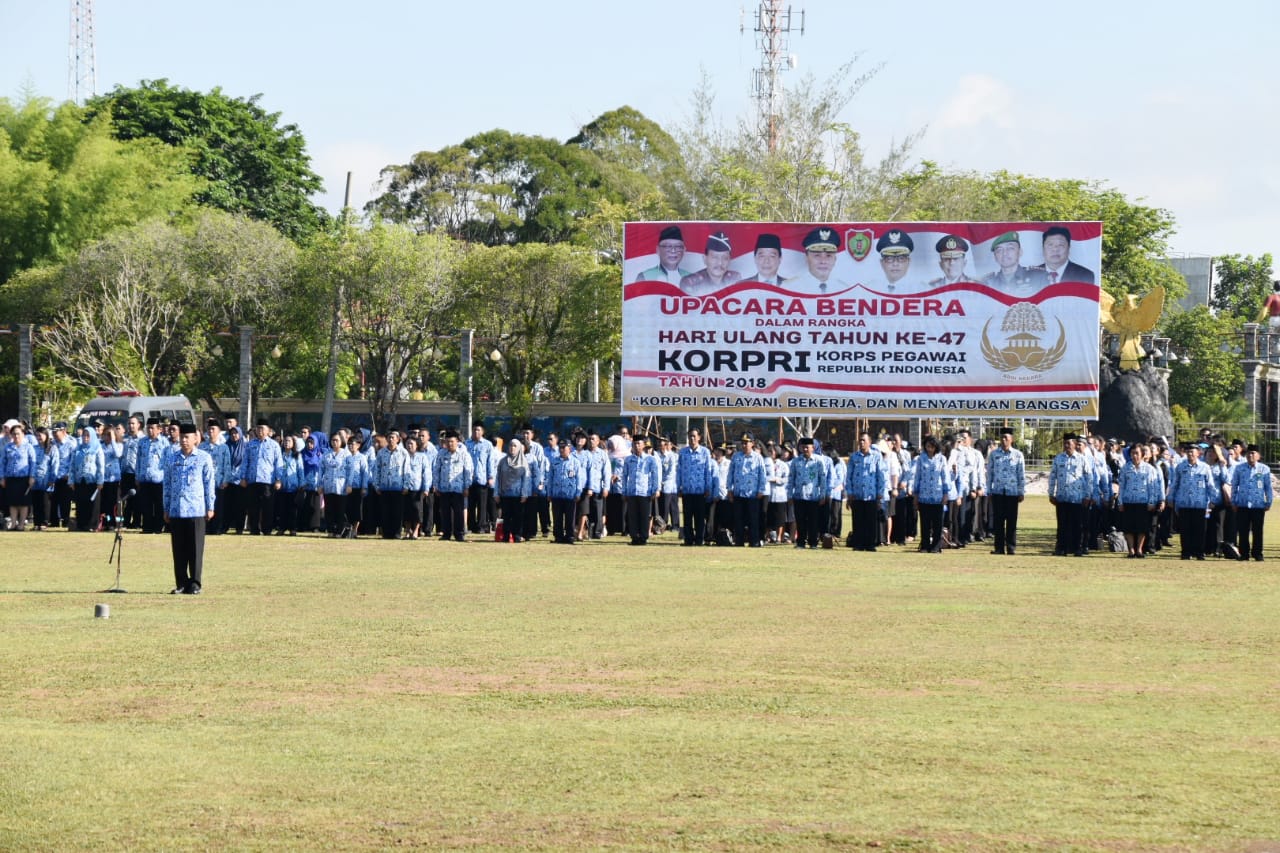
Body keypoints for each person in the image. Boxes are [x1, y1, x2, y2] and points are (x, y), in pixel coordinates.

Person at [163, 423, 216, 595]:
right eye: (182, 437)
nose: (184, 440)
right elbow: (167, 485)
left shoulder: (203, 458)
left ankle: (195, 583)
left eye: (187, 437)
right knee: (178, 549)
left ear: (195, 439)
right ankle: (181, 583)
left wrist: (210, 506)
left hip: (196, 509)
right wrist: (166, 507)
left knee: (195, 549)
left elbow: (209, 484)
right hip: (177, 509)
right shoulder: (172, 458)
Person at [1048, 434, 1096, 556]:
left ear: (1075, 444)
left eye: (1069, 443)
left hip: (1077, 498)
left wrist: (1088, 495)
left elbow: (1089, 478)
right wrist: (1051, 493)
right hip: (1062, 497)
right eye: (1065, 443)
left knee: (1077, 525)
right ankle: (1061, 548)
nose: (1066, 446)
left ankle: (1077, 548)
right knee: (1062, 525)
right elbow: (1053, 476)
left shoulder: (1082, 459)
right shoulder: (1058, 459)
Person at [1167, 442, 1215, 560]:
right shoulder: (1180, 467)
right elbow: (1175, 484)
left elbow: (1210, 485)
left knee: (1199, 530)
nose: (1190, 454)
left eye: (1192, 452)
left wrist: (1213, 500)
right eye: (1188, 451)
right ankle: (1186, 552)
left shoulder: (1205, 467)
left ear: (1198, 453)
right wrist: (1170, 498)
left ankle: (1199, 552)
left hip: (1200, 504)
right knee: (1185, 530)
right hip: (1184, 503)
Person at [1116, 443, 1164, 558]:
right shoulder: (1125, 468)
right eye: (1132, 453)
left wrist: (1152, 502)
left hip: (1143, 502)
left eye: (1137, 453)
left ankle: (1139, 549)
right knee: (1128, 528)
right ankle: (1131, 550)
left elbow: (1153, 487)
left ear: (1142, 454)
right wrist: (1120, 502)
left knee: (1142, 528)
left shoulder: (1149, 469)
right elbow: (1121, 486)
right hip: (1128, 502)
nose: (1134, 455)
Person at [912, 436, 957, 553]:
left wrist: (946, 493)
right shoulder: (921, 459)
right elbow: (917, 476)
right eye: (927, 446)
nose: (929, 449)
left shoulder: (941, 459)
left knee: (937, 524)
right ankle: (925, 545)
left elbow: (945, 476)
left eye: (931, 446)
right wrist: (915, 494)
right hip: (924, 495)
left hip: (938, 496)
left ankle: (936, 546)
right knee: (925, 523)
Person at [845, 432, 888, 551]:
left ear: (869, 442)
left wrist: (880, 493)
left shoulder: (876, 456)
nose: (861, 442)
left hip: (871, 495)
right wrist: (849, 493)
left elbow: (881, 475)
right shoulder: (854, 457)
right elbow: (849, 477)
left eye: (864, 440)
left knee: (870, 522)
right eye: (860, 440)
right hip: (857, 495)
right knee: (858, 522)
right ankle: (858, 544)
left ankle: (870, 544)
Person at [985, 428, 1026, 555]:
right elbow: (989, 473)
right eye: (1002, 437)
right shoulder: (994, 454)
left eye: (1006, 438)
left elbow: (1021, 474)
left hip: (1012, 493)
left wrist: (1021, 491)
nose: (1003, 440)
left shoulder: (1018, 455)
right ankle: (999, 548)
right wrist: (989, 490)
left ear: (1011, 440)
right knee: (998, 521)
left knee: (1012, 521)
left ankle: (1011, 547)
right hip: (998, 492)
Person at [1228, 444, 1272, 561]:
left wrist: (1268, 501)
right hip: (1242, 504)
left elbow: (1268, 487)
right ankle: (1244, 553)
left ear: (1258, 455)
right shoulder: (1239, 468)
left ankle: (1257, 553)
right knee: (1243, 531)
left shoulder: (1264, 469)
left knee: (1257, 531)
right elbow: (1234, 486)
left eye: (1253, 453)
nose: (1250, 455)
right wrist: (1233, 501)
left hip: (1258, 505)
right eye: (1248, 453)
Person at [240, 419, 283, 536]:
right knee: (253, 507)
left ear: (268, 430)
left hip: (268, 480)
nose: (260, 431)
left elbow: (278, 463)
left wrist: (278, 479)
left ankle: (267, 529)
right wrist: (242, 477)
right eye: (258, 428)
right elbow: (245, 462)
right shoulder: (250, 444)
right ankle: (254, 529)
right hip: (252, 480)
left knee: (268, 506)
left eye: (262, 429)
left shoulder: (274, 445)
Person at [725, 432, 768, 547]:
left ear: (752, 443)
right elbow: (730, 474)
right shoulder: (736, 456)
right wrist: (729, 489)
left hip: (752, 494)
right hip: (738, 493)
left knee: (753, 520)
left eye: (746, 443)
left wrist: (761, 490)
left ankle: (754, 541)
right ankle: (739, 541)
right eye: (742, 443)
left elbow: (762, 475)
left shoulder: (758, 457)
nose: (744, 445)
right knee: (738, 520)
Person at [433, 428, 474, 542]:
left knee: (458, 513)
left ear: (457, 442)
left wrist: (467, 486)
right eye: (447, 441)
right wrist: (436, 485)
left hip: (458, 489)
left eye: (452, 441)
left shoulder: (464, 454)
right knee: (445, 512)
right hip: (444, 488)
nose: (450, 444)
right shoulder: (441, 453)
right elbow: (436, 470)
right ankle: (446, 533)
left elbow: (468, 471)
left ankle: (459, 534)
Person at [619, 434, 661, 545]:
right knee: (632, 516)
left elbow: (654, 475)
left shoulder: (650, 459)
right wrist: (624, 491)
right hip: (632, 491)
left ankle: (643, 537)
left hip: (645, 491)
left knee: (644, 516)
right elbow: (624, 476)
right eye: (634, 444)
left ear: (643, 445)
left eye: (639, 443)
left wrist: (655, 489)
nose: (636, 446)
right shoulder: (628, 459)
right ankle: (634, 537)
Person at [788, 437, 829, 548]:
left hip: (813, 496)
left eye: (807, 447)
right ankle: (800, 542)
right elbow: (791, 478)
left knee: (813, 521)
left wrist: (823, 495)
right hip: (799, 495)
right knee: (800, 521)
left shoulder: (818, 461)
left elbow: (823, 479)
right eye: (803, 447)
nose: (805, 449)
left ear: (813, 448)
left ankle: (813, 542)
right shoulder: (796, 461)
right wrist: (789, 494)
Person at [676, 427, 714, 546]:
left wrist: (708, 487)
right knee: (687, 517)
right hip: (687, 490)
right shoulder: (683, 452)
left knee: (699, 517)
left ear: (699, 437)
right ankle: (688, 539)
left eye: (694, 436)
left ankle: (699, 540)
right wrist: (679, 486)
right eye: (690, 436)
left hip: (700, 490)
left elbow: (708, 471)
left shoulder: (705, 452)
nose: (692, 438)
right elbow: (679, 470)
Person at [981, 232, 1049, 296]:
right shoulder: (988, 283)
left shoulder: (1039, 277)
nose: (1005, 253)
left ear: (1020, 252)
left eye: (1010, 248)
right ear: (995, 257)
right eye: (999, 250)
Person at [678, 231, 742, 296]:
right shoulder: (691, 283)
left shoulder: (735, 279)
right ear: (705, 259)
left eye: (725, 258)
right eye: (715, 257)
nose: (720, 263)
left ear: (729, 260)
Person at [547, 439, 587, 544]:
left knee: (570, 518)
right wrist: (549, 493)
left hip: (570, 495)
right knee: (557, 518)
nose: (561, 450)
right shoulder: (554, 461)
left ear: (569, 448)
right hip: (556, 494)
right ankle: (558, 537)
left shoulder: (575, 462)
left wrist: (578, 493)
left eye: (563, 447)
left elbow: (579, 479)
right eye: (560, 447)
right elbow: (550, 478)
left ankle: (569, 536)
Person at [68, 426, 105, 532]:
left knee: (92, 504)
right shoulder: (77, 449)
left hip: (92, 481)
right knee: (81, 503)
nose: (85, 438)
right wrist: (71, 480)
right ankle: (81, 524)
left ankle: (92, 525)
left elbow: (100, 466)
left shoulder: (97, 448)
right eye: (84, 435)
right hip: (80, 480)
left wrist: (100, 481)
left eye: (88, 435)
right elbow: (72, 465)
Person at [495, 438, 532, 542]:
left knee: (518, 516)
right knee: (506, 516)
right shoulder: (503, 461)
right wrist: (496, 493)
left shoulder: (523, 462)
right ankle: (506, 536)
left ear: (519, 448)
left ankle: (517, 535)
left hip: (518, 495)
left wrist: (524, 494)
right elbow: (498, 478)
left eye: (515, 446)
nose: (512, 448)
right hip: (505, 494)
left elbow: (526, 479)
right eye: (511, 445)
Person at [788, 227, 846, 293]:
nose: (823, 261)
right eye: (817, 255)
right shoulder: (790, 287)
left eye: (828, 256)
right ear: (806, 258)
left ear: (835, 259)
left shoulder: (844, 289)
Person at [465, 421, 496, 534]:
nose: (476, 432)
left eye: (478, 430)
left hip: (482, 478)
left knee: (482, 505)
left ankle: (482, 526)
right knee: (471, 504)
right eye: (474, 430)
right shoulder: (467, 443)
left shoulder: (487, 445)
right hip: (470, 479)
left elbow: (490, 461)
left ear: (482, 432)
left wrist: (490, 476)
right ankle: (471, 525)